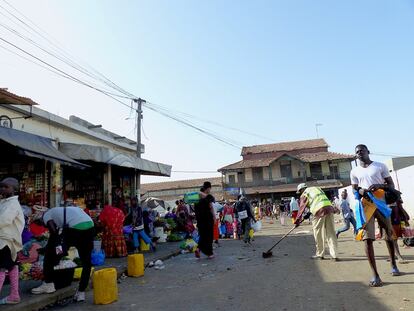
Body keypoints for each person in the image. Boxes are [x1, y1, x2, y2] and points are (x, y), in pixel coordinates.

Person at [350, 144, 400, 287]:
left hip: (381, 203)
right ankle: (375, 275)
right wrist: (360, 191)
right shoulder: (354, 171)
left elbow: (391, 185)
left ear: (368, 152)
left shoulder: (380, 166)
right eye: (357, 152)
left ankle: (393, 265)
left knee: (389, 235)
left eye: (362, 151)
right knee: (367, 239)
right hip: (366, 205)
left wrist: (379, 186)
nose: (360, 153)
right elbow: (354, 188)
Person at [31, 205, 94, 302]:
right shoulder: (64, 210)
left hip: (75, 228)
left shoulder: (46, 215)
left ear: (40, 219)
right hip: (90, 226)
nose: (44, 226)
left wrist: (53, 250)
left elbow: (53, 232)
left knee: (49, 254)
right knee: (86, 262)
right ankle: (81, 292)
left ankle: (48, 284)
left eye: (42, 224)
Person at [295, 183, 338, 261]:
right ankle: (334, 255)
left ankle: (320, 254)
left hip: (319, 211)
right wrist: (309, 213)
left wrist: (297, 220)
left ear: (301, 190)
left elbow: (302, 207)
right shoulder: (317, 189)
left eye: (300, 192)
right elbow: (318, 201)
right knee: (331, 233)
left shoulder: (305, 193)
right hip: (329, 208)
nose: (300, 193)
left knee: (318, 233)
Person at [0, 178, 24, 305]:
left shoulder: (12, 204)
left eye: (6, 187)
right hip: (8, 240)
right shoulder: (5, 202)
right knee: (12, 266)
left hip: (5, 241)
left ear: (14, 189)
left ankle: (14, 295)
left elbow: (3, 220)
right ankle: (14, 295)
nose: (2, 189)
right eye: (1, 186)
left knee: (2, 268)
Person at [194, 182, 215, 259]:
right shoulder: (207, 197)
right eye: (210, 188)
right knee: (209, 236)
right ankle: (209, 253)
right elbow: (211, 207)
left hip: (200, 220)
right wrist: (214, 217)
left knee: (202, 235)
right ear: (208, 188)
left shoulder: (197, 197)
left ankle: (198, 249)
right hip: (207, 219)